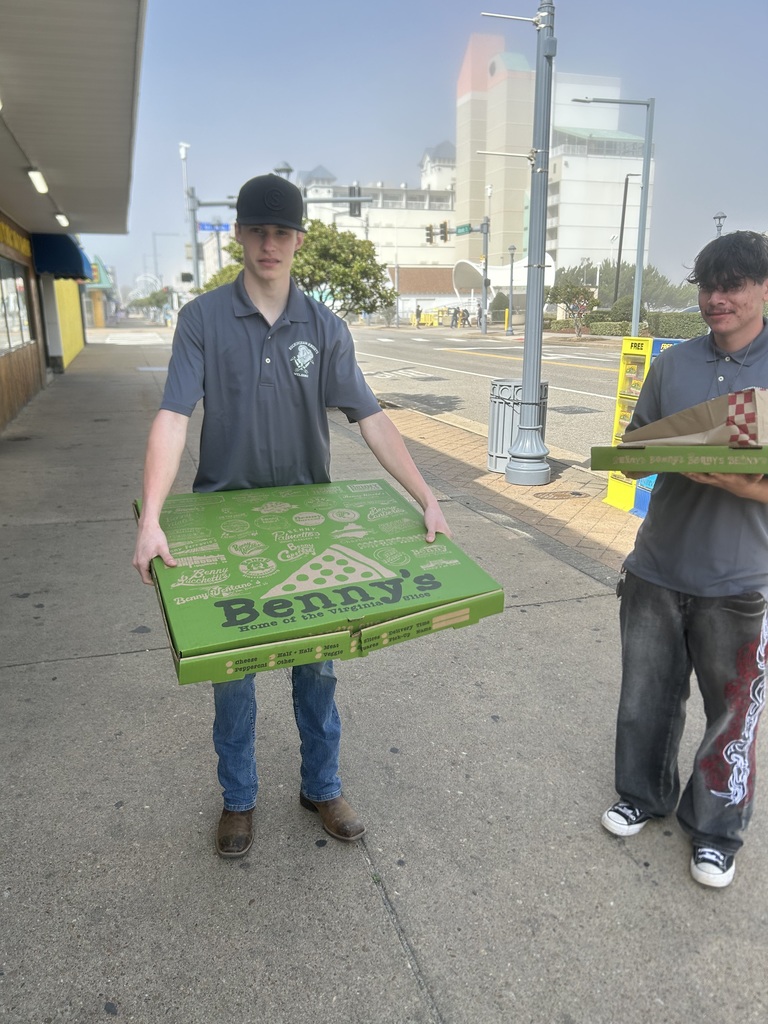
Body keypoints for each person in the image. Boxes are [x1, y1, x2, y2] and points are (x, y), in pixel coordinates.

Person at [133, 173, 452, 859]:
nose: (269, 242)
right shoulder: (202, 321)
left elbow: (371, 419)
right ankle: (238, 800)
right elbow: (171, 419)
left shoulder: (325, 329)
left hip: (312, 523)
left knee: (319, 668)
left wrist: (426, 495)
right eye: (258, 229)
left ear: (299, 239)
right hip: (224, 518)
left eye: (282, 231)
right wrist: (151, 516)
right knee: (233, 677)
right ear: (241, 234)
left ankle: (322, 784)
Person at [602, 230, 768, 888]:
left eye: (731, 285)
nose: (716, 298)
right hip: (656, 567)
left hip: (740, 578)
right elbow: (635, 444)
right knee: (645, 699)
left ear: (763, 289)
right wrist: (648, 452)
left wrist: (733, 481)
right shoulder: (673, 365)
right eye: (707, 285)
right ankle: (641, 794)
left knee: (732, 712)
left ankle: (717, 830)